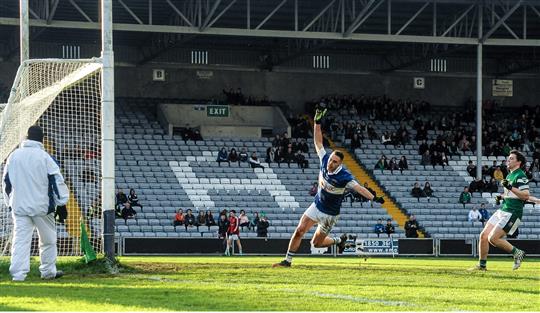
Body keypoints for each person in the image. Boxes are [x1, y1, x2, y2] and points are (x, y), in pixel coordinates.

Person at [273, 108, 384, 268]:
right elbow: (318, 142)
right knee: (299, 230)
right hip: (317, 205)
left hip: (330, 214)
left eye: (334, 162)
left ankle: (339, 240)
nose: (331, 163)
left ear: (340, 164)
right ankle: (287, 261)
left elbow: (359, 188)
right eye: (331, 159)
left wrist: (375, 198)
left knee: (316, 243)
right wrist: (317, 123)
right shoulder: (324, 159)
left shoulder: (344, 177)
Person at [2, 125, 69, 281]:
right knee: (48, 240)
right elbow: (57, 181)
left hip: (19, 206)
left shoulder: (14, 156)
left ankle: (18, 275)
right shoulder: (45, 157)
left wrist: (9, 202)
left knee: (20, 241)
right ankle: (48, 272)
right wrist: (61, 203)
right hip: (42, 207)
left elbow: (6, 182)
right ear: (42, 139)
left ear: (26, 137)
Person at [470, 150, 528, 271]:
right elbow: (510, 193)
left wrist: (510, 187)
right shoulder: (509, 175)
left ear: (519, 162)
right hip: (504, 209)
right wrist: (502, 196)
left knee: (493, 238)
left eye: (511, 158)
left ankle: (517, 253)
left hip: (513, 212)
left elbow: (525, 196)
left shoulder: (520, 175)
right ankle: (482, 266)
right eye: (508, 158)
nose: (508, 160)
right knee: (484, 236)